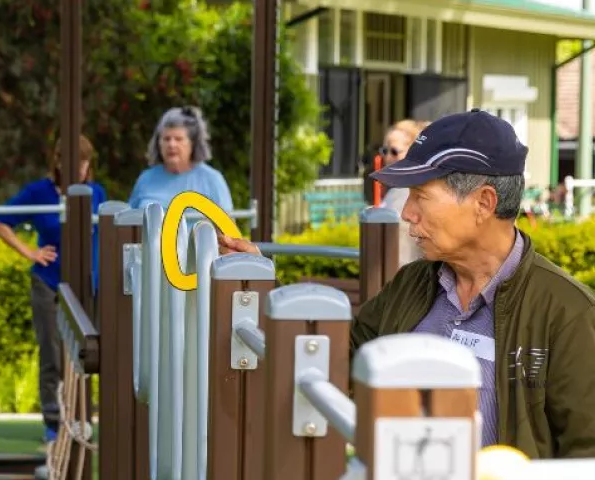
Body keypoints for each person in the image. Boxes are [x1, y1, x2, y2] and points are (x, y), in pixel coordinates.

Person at [220, 109, 595, 458]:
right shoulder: (414, 282)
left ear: (483, 203)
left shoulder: (570, 314)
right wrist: (262, 284)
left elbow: (585, 454)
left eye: (420, 196)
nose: (406, 213)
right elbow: (340, 357)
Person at [0, 135, 107, 444]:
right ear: (57, 162)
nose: (78, 170)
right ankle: (54, 423)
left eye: (83, 164)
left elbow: (109, 232)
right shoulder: (39, 192)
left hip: (86, 285)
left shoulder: (96, 194)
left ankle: (81, 417)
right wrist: (30, 252)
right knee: (52, 354)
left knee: (86, 353)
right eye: (72, 163)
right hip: (48, 283)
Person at [128, 106, 233, 211]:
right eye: (166, 139)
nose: (172, 145)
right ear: (158, 143)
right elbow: (128, 222)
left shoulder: (212, 180)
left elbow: (227, 225)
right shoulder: (145, 179)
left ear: (192, 144)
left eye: (178, 139)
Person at [375, 119, 431, 265]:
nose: (387, 157)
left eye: (394, 151)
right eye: (384, 151)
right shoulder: (395, 191)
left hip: (410, 276)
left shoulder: (417, 191)